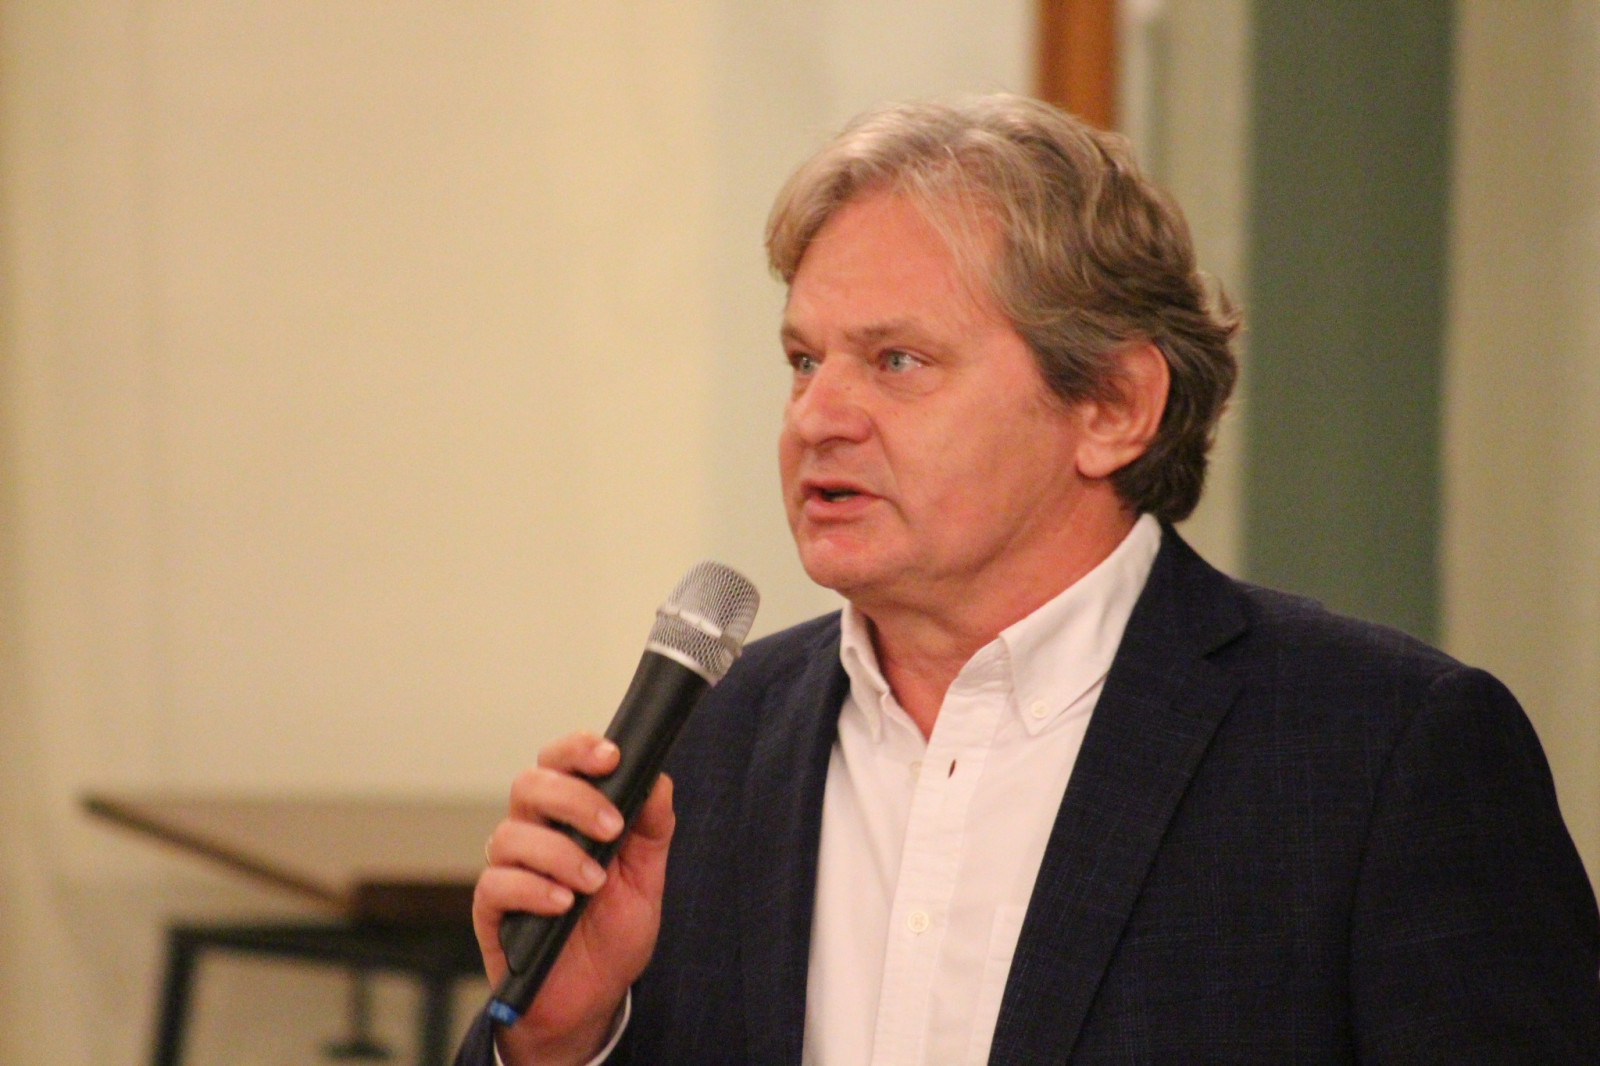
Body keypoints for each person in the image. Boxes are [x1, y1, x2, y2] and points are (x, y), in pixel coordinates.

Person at [457, 95, 1600, 1065]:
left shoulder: (1379, 753)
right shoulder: (711, 744)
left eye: (896, 360)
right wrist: (565, 1040)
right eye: (804, 360)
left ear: (1112, 407)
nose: (816, 417)